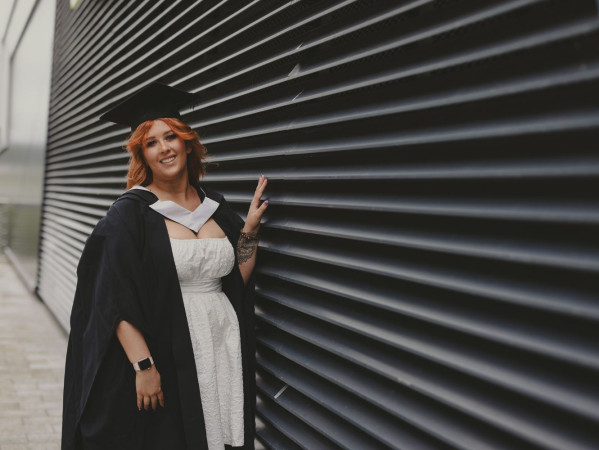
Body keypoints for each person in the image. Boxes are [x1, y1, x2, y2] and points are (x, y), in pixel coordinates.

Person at [61, 82, 267, 450]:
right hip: (168, 348)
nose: (164, 148)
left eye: (170, 136)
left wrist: (249, 230)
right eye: (151, 143)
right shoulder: (129, 215)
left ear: (187, 142)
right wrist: (143, 367)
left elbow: (234, 281)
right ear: (142, 155)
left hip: (220, 343)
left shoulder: (216, 206)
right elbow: (112, 298)